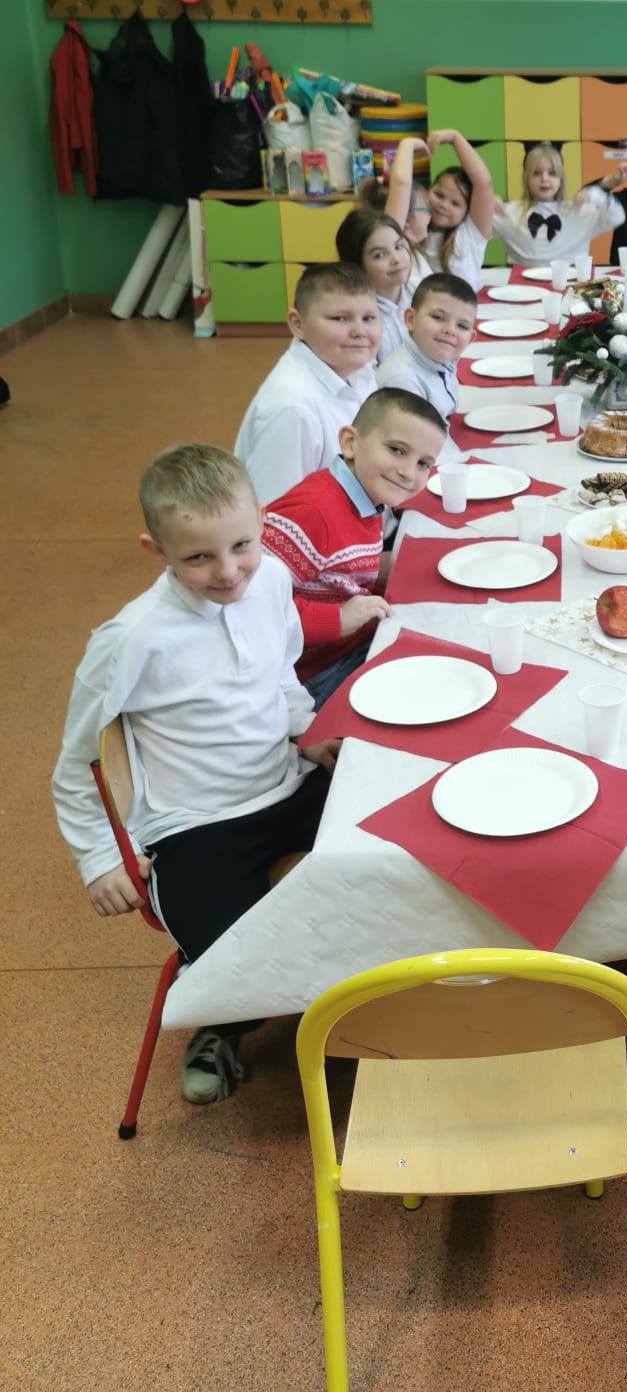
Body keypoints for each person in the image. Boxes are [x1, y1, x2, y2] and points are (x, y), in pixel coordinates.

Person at [51, 445, 340, 1104]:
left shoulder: (271, 579)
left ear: (261, 523)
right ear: (156, 549)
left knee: (391, 843)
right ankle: (222, 1023)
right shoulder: (131, 638)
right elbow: (76, 762)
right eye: (199, 558)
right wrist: (99, 857)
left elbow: (281, 673)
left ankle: (374, 1001)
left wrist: (307, 728)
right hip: (198, 822)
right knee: (224, 947)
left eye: (241, 545)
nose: (228, 571)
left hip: (287, 781)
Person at [262, 389, 447, 707]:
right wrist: (337, 618)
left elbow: (341, 571)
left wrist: (398, 566)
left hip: (346, 645)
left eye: (423, 463)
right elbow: (253, 609)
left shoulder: (366, 495)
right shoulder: (312, 513)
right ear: (350, 442)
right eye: (397, 450)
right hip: (311, 673)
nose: (408, 472)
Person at [234, 262, 379, 505]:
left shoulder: (357, 368)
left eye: (369, 318)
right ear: (298, 324)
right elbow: (278, 513)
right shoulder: (292, 409)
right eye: (340, 318)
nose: (360, 331)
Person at [492, 142, 626, 264]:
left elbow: (617, 218)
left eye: (552, 173)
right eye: (536, 173)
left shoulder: (579, 211)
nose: (544, 178)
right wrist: (485, 202)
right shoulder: (509, 212)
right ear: (526, 179)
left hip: (572, 281)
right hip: (521, 282)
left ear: (561, 180)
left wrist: (594, 194)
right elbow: (479, 228)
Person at [374, 271, 477, 420]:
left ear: (470, 339)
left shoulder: (440, 357)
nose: (450, 330)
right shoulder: (402, 382)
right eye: (438, 317)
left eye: (462, 326)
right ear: (411, 319)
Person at [335, 205, 415, 362]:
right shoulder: (357, 319)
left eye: (398, 247)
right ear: (357, 266)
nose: (396, 259)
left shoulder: (419, 292)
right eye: (380, 255)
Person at [425, 128, 498, 289]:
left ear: (467, 211)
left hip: (465, 305)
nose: (443, 205)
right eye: (439, 195)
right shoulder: (417, 229)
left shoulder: (471, 233)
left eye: (455, 203)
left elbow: (483, 182)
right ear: (428, 191)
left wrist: (455, 138)